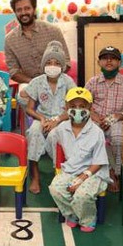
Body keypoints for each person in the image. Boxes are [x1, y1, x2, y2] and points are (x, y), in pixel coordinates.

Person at [48, 87, 109, 233]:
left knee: (82, 195)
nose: (77, 110)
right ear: (66, 107)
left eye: (82, 106)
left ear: (90, 108)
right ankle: (72, 214)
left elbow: (99, 162)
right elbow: (51, 148)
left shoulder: (97, 132)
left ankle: (88, 218)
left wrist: (82, 178)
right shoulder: (61, 129)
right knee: (55, 189)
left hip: (94, 173)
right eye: (73, 106)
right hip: (70, 169)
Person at [85, 46, 123, 192]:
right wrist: (96, 117)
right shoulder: (93, 82)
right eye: (105, 58)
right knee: (94, 139)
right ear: (99, 62)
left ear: (119, 62)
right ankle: (109, 172)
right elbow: (84, 105)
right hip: (96, 119)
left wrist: (119, 115)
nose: (109, 61)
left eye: (113, 58)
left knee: (117, 139)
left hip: (117, 120)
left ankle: (121, 172)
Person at [24, 41, 76, 194]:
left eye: (56, 62)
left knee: (55, 135)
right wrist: (41, 119)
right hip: (41, 117)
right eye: (48, 62)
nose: (52, 65)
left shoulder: (68, 82)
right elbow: (29, 108)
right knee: (33, 132)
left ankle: (58, 172)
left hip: (61, 119)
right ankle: (35, 174)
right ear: (43, 65)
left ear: (62, 66)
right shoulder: (37, 82)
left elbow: (72, 108)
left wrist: (56, 121)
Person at [4, 0, 70, 105]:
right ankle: (35, 121)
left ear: (34, 9)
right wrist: (36, 83)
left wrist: (51, 79)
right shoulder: (10, 40)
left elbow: (67, 62)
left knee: (69, 97)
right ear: (15, 12)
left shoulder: (53, 31)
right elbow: (13, 71)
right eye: (19, 10)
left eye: (27, 8)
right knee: (23, 97)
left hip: (56, 78)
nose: (23, 13)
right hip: (30, 82)